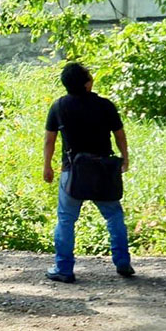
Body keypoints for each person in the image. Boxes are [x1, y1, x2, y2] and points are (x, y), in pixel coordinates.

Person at [43, 62, 134, 283]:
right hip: (103, 170)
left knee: (66, 219)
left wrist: (47, 166)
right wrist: (124, 158)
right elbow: (119, 135)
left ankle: (64, 268)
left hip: (73, 171)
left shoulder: (59, 106)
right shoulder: (105, 105)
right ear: (87, 84)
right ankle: (122, 261)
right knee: (114, 215)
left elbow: (49, 141)